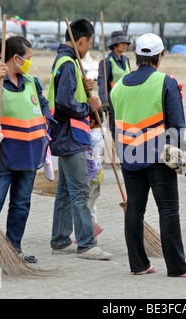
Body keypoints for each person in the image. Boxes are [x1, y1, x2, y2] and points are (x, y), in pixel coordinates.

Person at [109, 33, 186, 278]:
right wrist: (180, 155)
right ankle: (176, 266)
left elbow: (114, 126)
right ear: (159, 56)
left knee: (134, 209)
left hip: (129, 155)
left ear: (137, 56)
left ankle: (139, 265)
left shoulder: (117, 86)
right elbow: (176, 124)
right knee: (168, 210)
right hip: (159, 156)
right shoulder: (166, 81)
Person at [0, 36, 53, 263]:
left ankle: (13, 250)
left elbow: (43, 106)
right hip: (4, 156)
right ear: (16, 57)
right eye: (28, 58)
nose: (30, 62)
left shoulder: (32, 82)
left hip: (30, 154)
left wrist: (46, 122)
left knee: (21, 205)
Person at [46, 18, 112, 260]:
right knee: (80, 190)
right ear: (81, 41)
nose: (89, 49)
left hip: (66, 134)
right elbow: (65, 103)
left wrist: (85, 88)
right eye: (89, 44)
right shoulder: (67, 63)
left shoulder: (67, 62)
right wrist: (88, 106)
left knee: (65, 191)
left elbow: (67, 94)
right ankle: (86, 244)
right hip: (69, 135)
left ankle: (61, 241)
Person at [98, 31, 131, 116]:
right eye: (122, 43)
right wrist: (104, 100)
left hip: (125, 100)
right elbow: (102, 81)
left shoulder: (126, 60)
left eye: (126, 43)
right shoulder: (107, 61)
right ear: (115, 45)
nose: (125, 45)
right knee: (114, 127)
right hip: (112, 101)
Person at [86, 108, 105, 242]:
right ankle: (93, 237)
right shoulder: (103, 133)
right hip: (98, 175)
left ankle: (92, 227)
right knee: (92, 206)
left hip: (89, 175)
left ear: (91, 122)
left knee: (84, 205)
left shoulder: (89, 135)